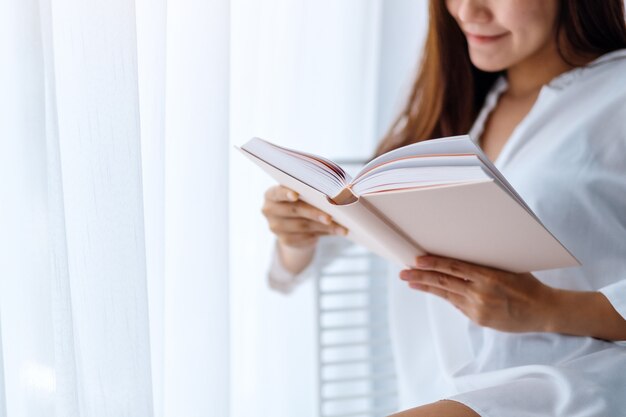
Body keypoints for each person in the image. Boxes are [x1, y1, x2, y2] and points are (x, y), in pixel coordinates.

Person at [261, 0, 626, 416]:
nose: (468, 11)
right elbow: (290, 272)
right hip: (438, 393)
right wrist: (296, 233)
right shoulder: (454, 112)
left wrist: (550, 309)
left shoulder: (616, 96)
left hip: (584, 388)